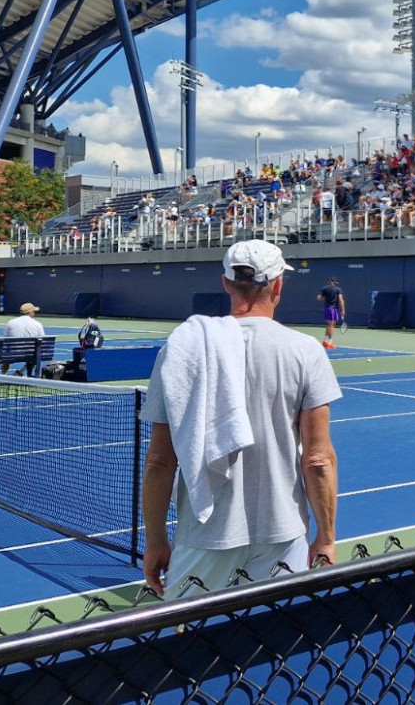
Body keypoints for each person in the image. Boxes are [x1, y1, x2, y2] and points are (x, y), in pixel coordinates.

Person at [141, 239, 341, 600]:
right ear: (278, 285)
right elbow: (318, 459)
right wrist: (325, 538)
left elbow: (159, 461)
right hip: (284, 536)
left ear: (225, 283)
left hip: (203, 536)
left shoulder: (181, 348)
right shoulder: (307, 351)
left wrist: (155, 541)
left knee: (189, 648)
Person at [1, 302, 45, 375]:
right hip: (31, 354)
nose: (35, 313)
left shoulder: (10, 322)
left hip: (12, 354)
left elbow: (5, 340)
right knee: (36, 356)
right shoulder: (37, 324)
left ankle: (4, 375)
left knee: (6, 354)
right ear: (30, 312)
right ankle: (21, 373)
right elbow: (42, 340)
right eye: (34, 311)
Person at [317, 277, 345, 349]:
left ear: (328, 282)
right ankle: (329, 342)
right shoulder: (338, 289)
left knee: (329, 325)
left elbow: (319, 297)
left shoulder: (325, 289)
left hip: (327, 309)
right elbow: (341, 300)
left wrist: (326, 297)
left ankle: (325, 341)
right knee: (332, 326)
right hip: (333, 309)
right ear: (334, 282)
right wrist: (343, 310)